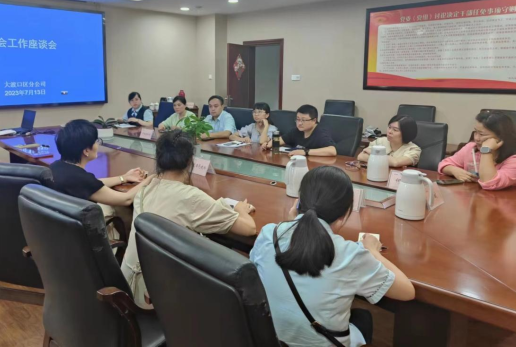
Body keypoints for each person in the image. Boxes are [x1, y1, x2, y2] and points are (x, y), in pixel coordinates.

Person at [250, 166, 415, 347]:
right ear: (344, 215)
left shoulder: (269, 233)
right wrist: (373, 251)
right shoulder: (350, 254)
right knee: (363, 318)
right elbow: (407, 291)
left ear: (298, 202)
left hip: (269, 339)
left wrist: (291, 222)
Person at [122, 130, 257, 308]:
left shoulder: (146, 189)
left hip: (130, 286)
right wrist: (240, 209)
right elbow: (249, 228)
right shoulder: (190, 197)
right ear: (189, 161)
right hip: (159, 298)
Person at [51, 119, 150, 206]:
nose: (98, 144)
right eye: (96, 141)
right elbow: (126, 199)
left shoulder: (55, 167)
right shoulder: (82, 179)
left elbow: (94, 183)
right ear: (86, 151)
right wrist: (150, 179)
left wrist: (124, 177)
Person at [439, 111, 516, 190]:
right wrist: (454, 170)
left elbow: (489, 183)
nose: (476, 138)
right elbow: (444, 164)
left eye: (482, 134)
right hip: (474, 195)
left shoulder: (513, 159)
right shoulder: (471, 148)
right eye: (475, 132)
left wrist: (486, 151)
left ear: (500, 137)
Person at [264, 105, 336, 157]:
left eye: (303, 120)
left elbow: (332, 151)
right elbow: (281, 140)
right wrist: (268, 144)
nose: (299, 123)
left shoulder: (320, 133)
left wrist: (305, 152)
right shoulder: (297, 130)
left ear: (314, 120)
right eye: (298, 119)